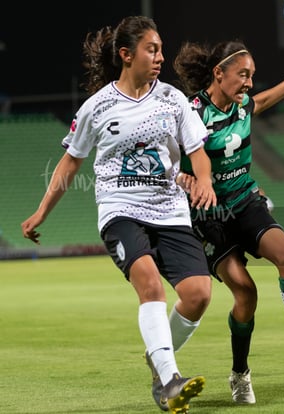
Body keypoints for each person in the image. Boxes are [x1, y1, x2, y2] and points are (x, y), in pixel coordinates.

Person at [21, 16, 217, 414]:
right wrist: (41, 212)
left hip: (170, 209)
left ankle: (157, 358)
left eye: (161, 48)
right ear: (127, 55)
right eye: (152, 49)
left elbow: (197, 151)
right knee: (150, 286)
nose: (161, 56)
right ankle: (169, 380)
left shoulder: (173, 99)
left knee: (198, 295)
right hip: (120, 208)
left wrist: (204, 181)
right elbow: (70, 163)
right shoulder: (97, 107)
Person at [173, 40, 284, 404]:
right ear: (218, 74)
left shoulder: (243, 106)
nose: (249, 83)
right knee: (245, 292)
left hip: (245, 200)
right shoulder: (191, 114)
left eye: (252, 75)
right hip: (210, 217)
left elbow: (266, 100)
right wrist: (189, 181)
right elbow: (171, 166)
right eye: (243, 75)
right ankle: (240, 374)